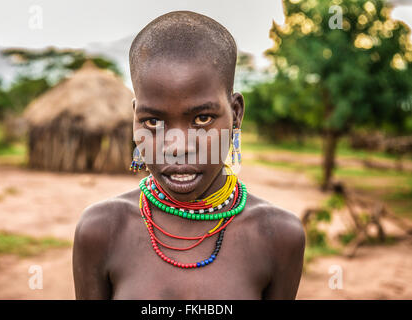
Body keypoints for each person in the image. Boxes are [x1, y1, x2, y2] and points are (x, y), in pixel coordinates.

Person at [72, 10, 305, 300]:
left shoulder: (278, 236)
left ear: (235, 114)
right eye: (153, 122)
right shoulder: (101, 230)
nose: (177, 146)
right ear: (134, 117)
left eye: (203, 119)